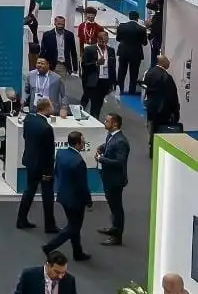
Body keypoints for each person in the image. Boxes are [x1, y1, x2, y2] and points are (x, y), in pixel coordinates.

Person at [44, 130, 93, 260]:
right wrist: (88, 201)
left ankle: (77, 252)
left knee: (73, 224)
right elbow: (82, 185)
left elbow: (57, 172)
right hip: (76, 200)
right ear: (78, 144)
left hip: (63, 195)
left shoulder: (61, 153)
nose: (83, 144)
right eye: (82, 142)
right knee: (73, 227)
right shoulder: (78, 161)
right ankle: (49, 247)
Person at [16, 98, 58, 233]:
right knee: (48, 195)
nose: (53, 108)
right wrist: (48, 172)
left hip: (30, 161)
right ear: (46, 108)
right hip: (43, 167)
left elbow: (25, 137)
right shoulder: (47, 128)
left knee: (29, 191)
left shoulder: (28, 119)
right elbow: (49, 152)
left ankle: (21, 219)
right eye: (51, 106)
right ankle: (50, 225)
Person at [94, 113, 129, 246]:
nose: (104, 122)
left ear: (115, 124)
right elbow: (108, 144)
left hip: (115, 180)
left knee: (117, 208)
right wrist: (102, 148)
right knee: (113, 206)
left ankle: (117, 236)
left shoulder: (121, 142)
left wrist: (101, 159)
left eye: (107, 121)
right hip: (108, 177)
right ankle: (114, 228)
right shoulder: (112, 135)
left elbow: (120, 162)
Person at [144, 54, 181, 157]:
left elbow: (146, 89)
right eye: (167, 60)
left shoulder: (149, 73)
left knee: (152, 129)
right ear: (162, 62)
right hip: (163, 109)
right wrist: (175, 110)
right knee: (161, 130)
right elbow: (171, 95)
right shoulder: (166, 77)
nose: (169, 62)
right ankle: (160, 151)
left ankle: (152, 150)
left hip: (152, 107)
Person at [79, 31, 116, 117]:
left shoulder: (111, 50)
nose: (104, 43)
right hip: (93, 81)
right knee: (90, 101)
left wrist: (112, 83)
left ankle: (95, 119)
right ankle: (84, 117)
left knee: (99, 103)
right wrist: (96, 63)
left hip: (105, 81)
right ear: (98, 39)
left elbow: (112, 67)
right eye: (102, 41)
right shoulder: (89, 49)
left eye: (106, 41)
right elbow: (84, 64)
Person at [115, 11, 148, 96]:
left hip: (123, 52)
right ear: (137, 18)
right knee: (134, 73)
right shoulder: (142, 29)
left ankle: (120, 90)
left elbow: (118, 39)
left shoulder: (121, 26)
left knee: (121, 72)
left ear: (129, 17)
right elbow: (145, 43)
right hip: (136, 53)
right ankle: (131, 91)